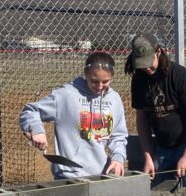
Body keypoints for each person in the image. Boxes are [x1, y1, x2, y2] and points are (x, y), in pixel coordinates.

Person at [20, 51, 127, 179]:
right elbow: (30, 111)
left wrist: (118, 158)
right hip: (69, 177)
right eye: (94, 81)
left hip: (103, 175)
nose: (99, 86)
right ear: (86, 74)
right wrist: (36, 129)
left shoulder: (114, 99)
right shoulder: (66, 96)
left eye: (105, 82)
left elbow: (118, 136)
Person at [126, 32, 186, 188]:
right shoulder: (139, 80)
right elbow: (142, 119)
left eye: (149, 62)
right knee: (161, 193)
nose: (146, 68)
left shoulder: (180, 76)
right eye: (141, 64)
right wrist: (148, 157)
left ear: (158, 51)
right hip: (164, 144)